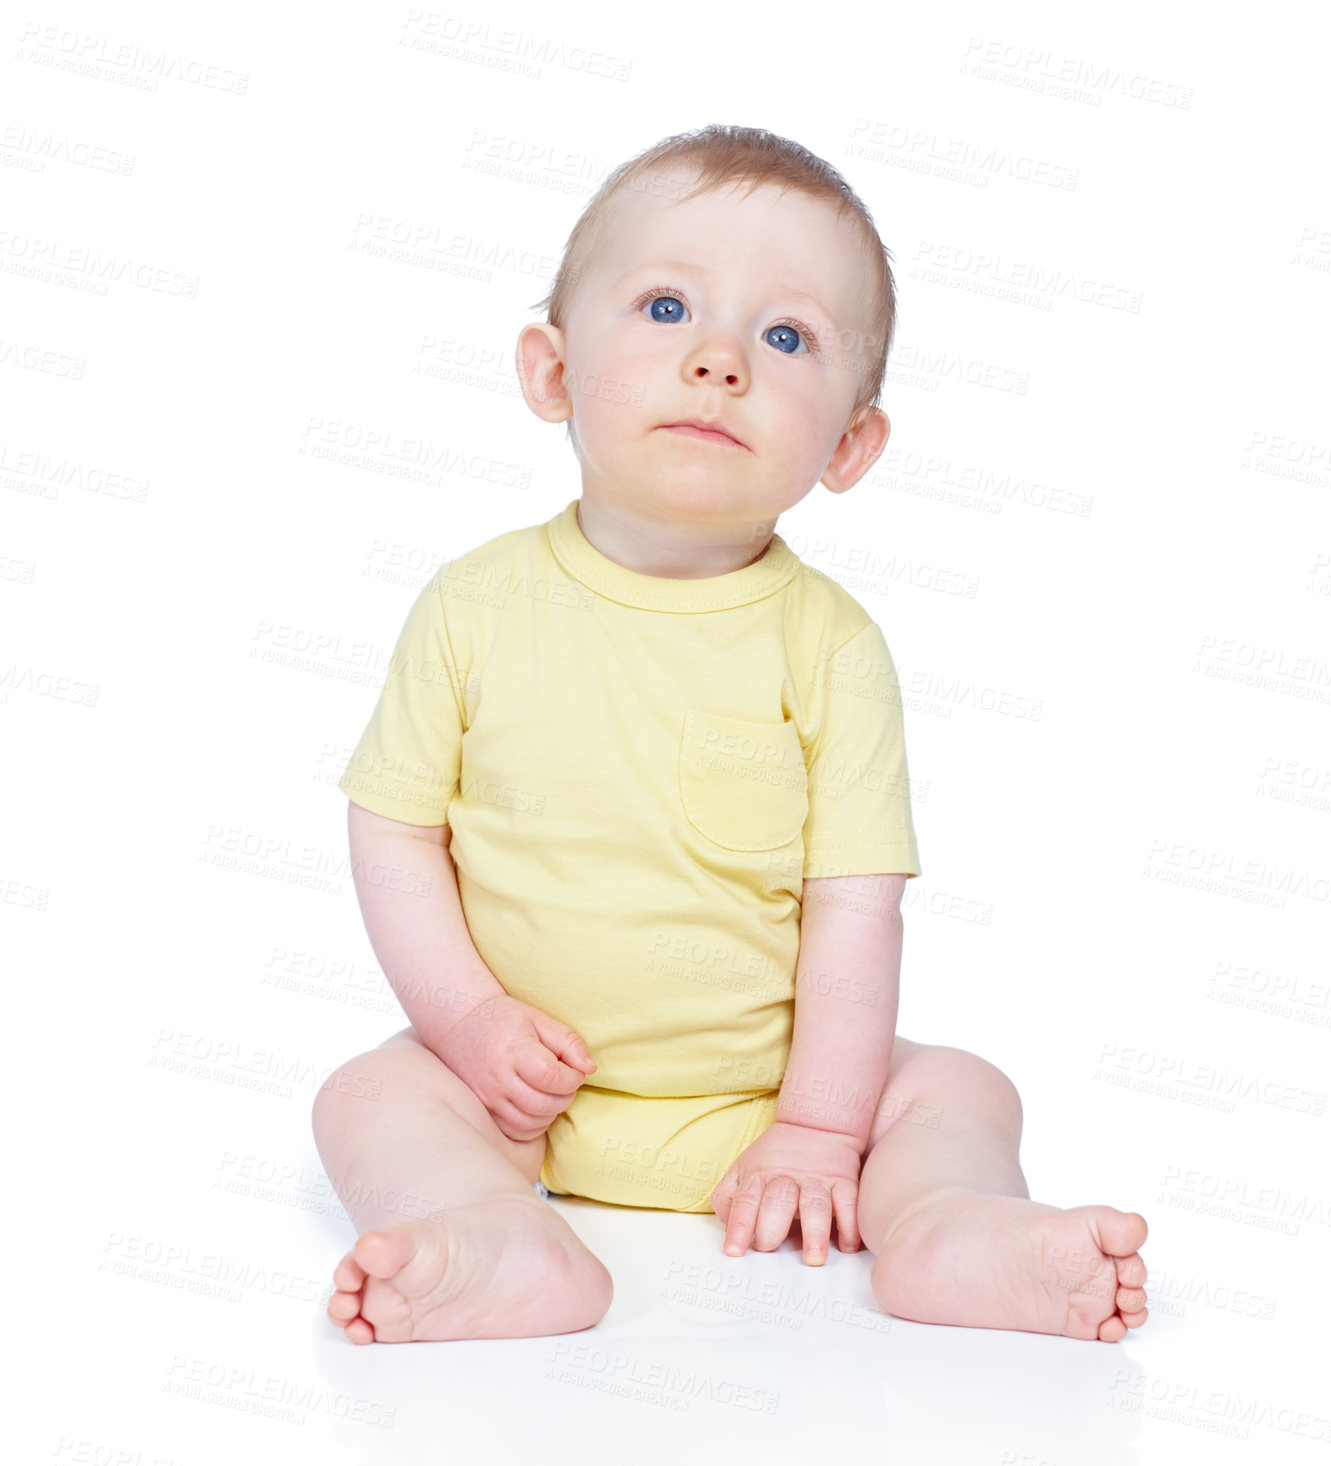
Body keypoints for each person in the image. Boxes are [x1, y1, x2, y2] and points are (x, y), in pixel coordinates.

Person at [312, 123, 1149, 1345]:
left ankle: (949, 1228)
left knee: (961, 1088)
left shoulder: (832, 646)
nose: (719, 362)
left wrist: (817, 1122)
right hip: (521, 1096)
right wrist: (468, 1023)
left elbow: (857, 903)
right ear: (550, 370)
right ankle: (495, 1232)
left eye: (787, 336)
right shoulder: (473, 604)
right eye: (665, 306)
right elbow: (392, 825)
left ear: (851, 443)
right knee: (367, 1094)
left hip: (768, 1105)